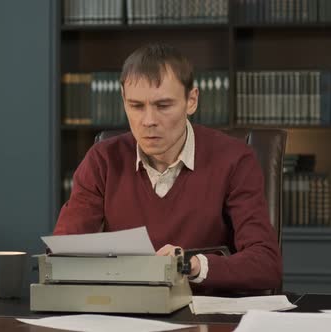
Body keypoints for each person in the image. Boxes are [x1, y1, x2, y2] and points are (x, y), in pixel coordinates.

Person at [53, 43, 282, 293]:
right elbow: (63, 255)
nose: (148, 121)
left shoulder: (235, 159)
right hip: (125, 316)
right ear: (123, 101)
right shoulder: (102, 160)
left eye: (163, 106)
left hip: (206, 318)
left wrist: (190, 265)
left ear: (191, 100)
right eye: (136, 106)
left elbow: (265, 264)